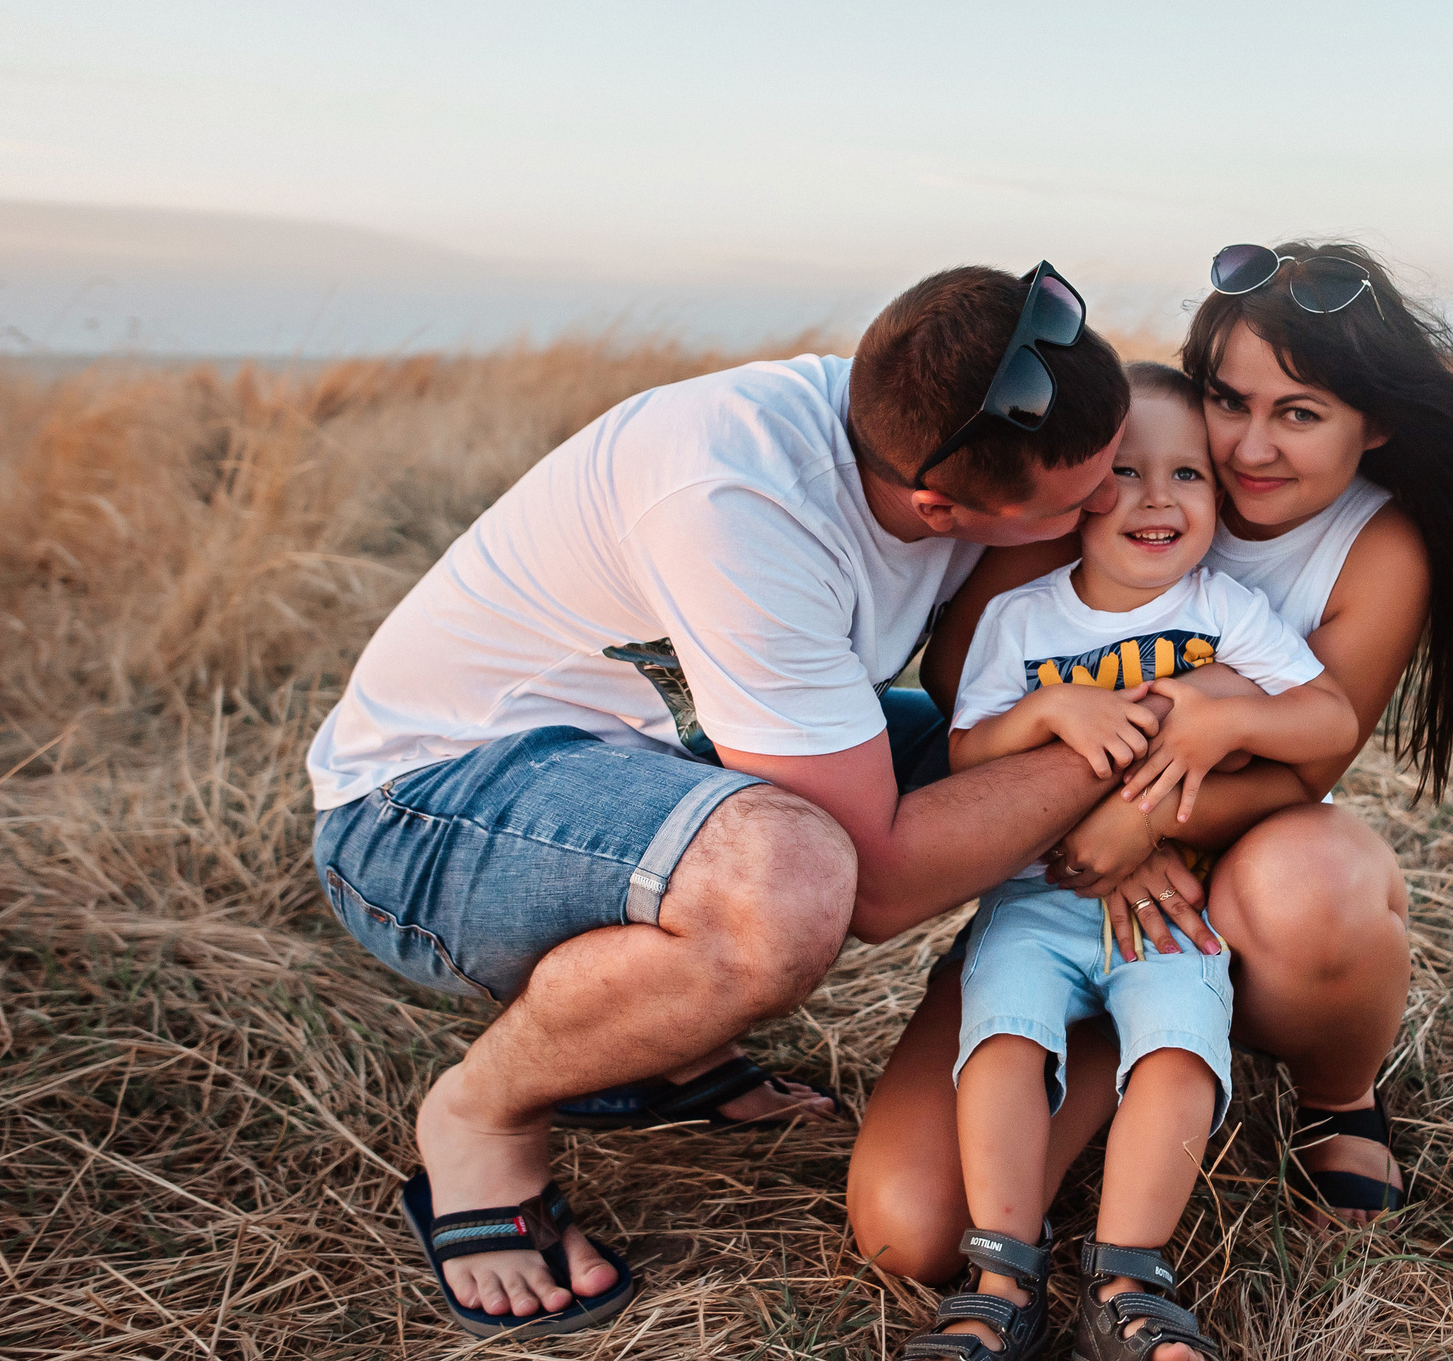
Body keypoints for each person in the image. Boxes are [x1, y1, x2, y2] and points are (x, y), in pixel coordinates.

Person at [307, 263, 1154, 1338]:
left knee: (976, 762)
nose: (1115, 502)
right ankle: (480, 1115)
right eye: (1083, 499)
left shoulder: (931, 428)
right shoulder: (737, 492)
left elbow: (974, 679)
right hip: (425, 810)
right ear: (940, 507)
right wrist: (1129, 739)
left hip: (654, 764)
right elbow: (880, 882)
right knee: (791, 881)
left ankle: (659, 1046)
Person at [849, 240, 1453, 1279]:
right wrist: (1102, 831)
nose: (1248, 447)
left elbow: (1304, 764)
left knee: (1317, 880)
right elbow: (968, 686)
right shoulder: (1125, 467)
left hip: (1238, 867)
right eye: (1228, 400)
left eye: (1300, 412)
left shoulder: (1376, 545)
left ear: (1377, 421)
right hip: (1063, 877)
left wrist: (1149, 817)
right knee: (912, 1230)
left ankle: (1335, 1092)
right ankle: (1060, 1027)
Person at [899, 364, 1358, 1361]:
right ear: (1077, 491)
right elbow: (970, 753)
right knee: (1005, 1041)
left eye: (1189, 473)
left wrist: (1224, 713)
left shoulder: (1226, 609)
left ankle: (1129, 1278)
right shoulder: (1023, 620)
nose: (1159, 497)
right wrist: (1045, 710)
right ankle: (999, 1279)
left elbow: (1330, 716)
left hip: (1170, 906)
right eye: (1129, 474)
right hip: (1039, 895)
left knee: (1179, 1051)